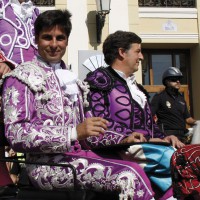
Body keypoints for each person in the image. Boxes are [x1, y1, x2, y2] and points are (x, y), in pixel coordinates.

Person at [1, 10, 156, 200]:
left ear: (67, 40)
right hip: (47, 167)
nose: (54, 44)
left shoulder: (73, 81)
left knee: (148, 165)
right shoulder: (21, 77)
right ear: (36, 39)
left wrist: (124, 139)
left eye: (60, 38)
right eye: (47, 37)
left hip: (78, 157)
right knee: (129, 176)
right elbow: (16, 133)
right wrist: (73, 133)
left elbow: (89, 130)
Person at [83, 30, 184, 199]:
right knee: (176, 160)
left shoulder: (138, 89)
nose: (142, 56)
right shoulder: (99, 80)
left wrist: (165, 137)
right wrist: (125, 137)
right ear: (122, 52)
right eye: (138, 51)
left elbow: (149, 127)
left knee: (186, 156)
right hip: (116, 150)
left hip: (146, 151)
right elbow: (95, 121)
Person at [0, 0, 39, 195]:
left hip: (34, 80)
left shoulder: (36, 11)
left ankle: (34, 175)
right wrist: (2, 62)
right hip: (5, 75)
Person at [151, 67, 196, 143]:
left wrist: (198, 122)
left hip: (183, 136)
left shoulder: (181, 98)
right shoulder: (159, 97)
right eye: (174, 79)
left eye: (179, 79)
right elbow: (149, 116)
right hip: (167, 136)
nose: (178, 81)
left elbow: (188, 119)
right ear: (167, 81)